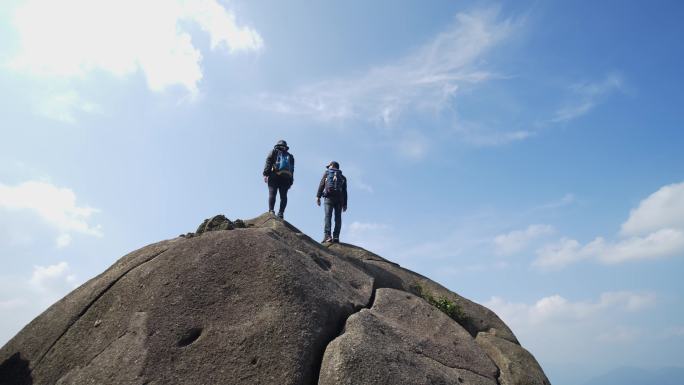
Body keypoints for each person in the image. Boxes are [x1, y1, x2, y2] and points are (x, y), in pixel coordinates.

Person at [316, 161, 347, 243]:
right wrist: (345, 204)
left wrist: (318, 196)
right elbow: (344, 192)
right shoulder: (343, 177)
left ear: (332, 165)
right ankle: (336, 236)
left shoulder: (327, 173)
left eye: (328, 166)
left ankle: (327, 236)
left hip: (329, 197)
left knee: (328, 216)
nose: (328, 168)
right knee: (338, 218)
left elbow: (322, 184)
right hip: (339, 199)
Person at [263, 140, 294, 218]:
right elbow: (292, 169)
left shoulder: (274, 151)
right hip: (286, 178)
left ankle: (271, 211)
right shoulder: (290, 156)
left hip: (274, 175)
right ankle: (281, 213)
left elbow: (268, 162)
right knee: (283, 196)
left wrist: (266, 174)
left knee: (272, 193)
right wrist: (290, 181)